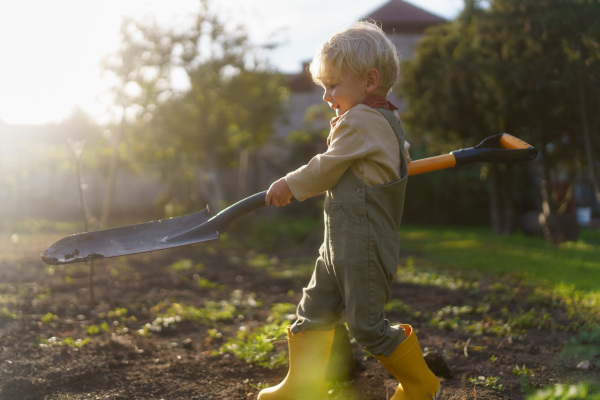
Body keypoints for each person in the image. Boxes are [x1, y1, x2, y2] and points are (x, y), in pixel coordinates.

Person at [260, 21, 440, 400]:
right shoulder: (386, 120)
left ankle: (422, 385)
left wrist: (289, 184)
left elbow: (326, 166)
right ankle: (302, 387)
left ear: (370, 81)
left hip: (363, 245)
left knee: (367, 326)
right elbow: (395, 155)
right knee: (314, 308)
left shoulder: (359, 120)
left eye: (333, 85)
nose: (326, 96)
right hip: (339, 242)